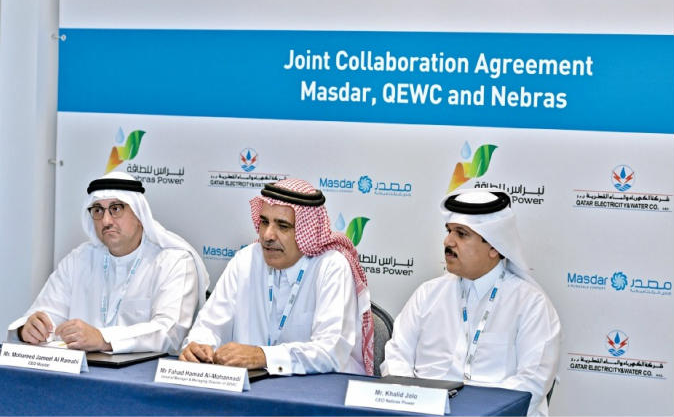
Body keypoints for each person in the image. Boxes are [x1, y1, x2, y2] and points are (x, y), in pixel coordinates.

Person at [381, 189, 561, 416]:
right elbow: (397, 356)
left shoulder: (531, 305)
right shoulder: (427, 295)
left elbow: (531, 383)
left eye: (461, 234)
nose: (448, 241)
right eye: (449, 231)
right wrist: (411, 402)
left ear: (495, 246)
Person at [180, 178, 374, 376]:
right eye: (264, 222)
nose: (267, 235)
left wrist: (263, 356)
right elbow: (209, 325)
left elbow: (331, 352)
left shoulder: (331, 266)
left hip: (318, 388)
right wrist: (199, 346)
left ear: (306, 230)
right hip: (251, 388)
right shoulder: (247, 259)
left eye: (283, 226)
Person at [6, 172, 209, 354]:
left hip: (143, 376)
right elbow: (47, 314)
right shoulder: (78, 260)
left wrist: (103, 339)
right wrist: (28, 329)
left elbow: (170, 332)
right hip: (79, 373)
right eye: (98, 211)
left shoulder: (173, 261)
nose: (106, 221)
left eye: (116, 209)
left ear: (139, 215)